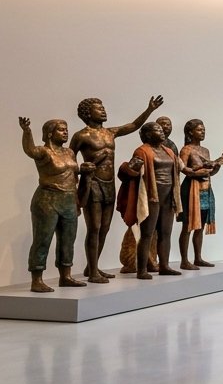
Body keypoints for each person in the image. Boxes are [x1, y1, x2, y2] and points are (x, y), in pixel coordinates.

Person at [70, 95, 163, 283]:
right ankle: (93, 270)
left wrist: (149, 110)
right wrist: (79, 179)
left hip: (109, 183)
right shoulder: (81, 136)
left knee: (104, 228)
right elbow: (70, 161)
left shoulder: (110, 133)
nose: (103, 110)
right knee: (94, 228)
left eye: (103, 106)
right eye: (99, 108)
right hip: (93, 183)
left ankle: (91, 267)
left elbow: (133, 125)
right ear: (88, 113)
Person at [19, 117, 93, 292]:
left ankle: (65, 276)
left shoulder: (69, 153)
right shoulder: (44, 152)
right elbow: (29, 150)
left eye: (66, 129)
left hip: (68, 199)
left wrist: (84, 170)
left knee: (68, 240)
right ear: (49, 133)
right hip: (47, 199)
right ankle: (37, 279)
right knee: (42, 240)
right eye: (61, 129)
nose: (65, 132)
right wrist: (27, 131)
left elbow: (71, 172)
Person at [116, 122, 182, 279]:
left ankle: (164, 266)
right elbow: (129, 171)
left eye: (161, 129)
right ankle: (141, 270)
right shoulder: (142, 151)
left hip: (168, 196)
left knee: (166, 232)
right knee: (147, 233)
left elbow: (179, 168)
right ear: (147, 135)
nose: (161, 131)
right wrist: (129, 168)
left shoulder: (168, 151)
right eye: (157, 129)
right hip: (151, 195)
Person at [178, 119, 223, 270]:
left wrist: (217, 165)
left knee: (200, 226)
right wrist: (201, 169)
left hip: (205, 189)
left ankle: (198, 257)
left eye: (204, 129)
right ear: (190, 132)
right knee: (188, 225)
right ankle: (184, 260)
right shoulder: (186, 149)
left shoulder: (205, 150)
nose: (203, 132)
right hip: (191, 188)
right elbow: (182, 168)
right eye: (199, 130)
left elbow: (211, 172)